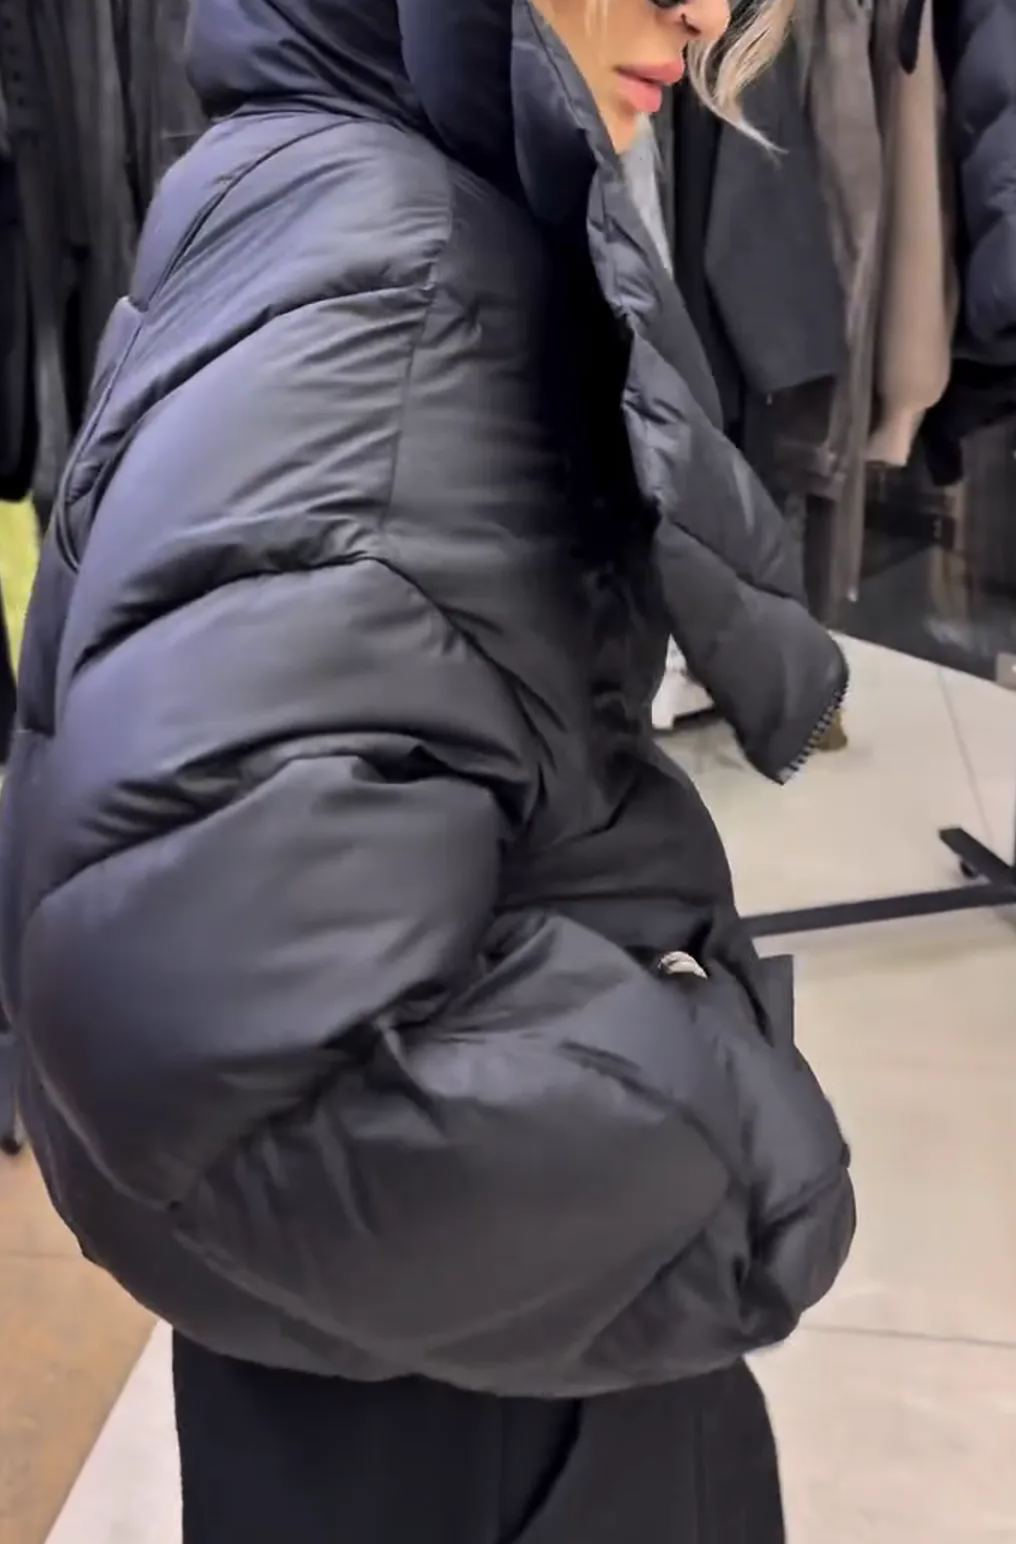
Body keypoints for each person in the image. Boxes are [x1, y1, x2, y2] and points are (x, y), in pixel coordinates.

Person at [0, 1, 854, 1540]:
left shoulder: (327, 181)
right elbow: (241, 1052)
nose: (711, 9)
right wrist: (734, 1155)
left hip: (410, 1344)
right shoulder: (401, 262)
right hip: (478, 1386)